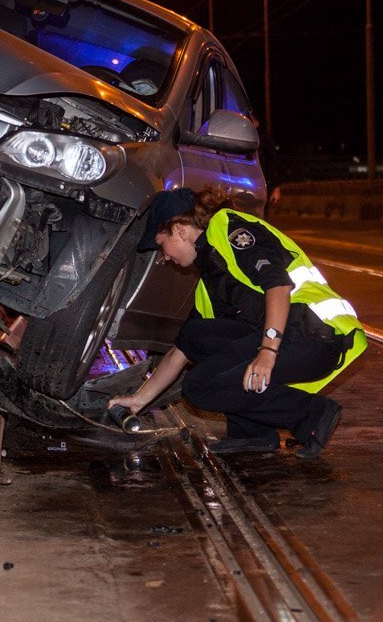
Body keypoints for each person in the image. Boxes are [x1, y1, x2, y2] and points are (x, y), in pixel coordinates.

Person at [108, 186, 366, 457]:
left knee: (199, 386)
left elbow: (278, 286)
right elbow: (180, 351)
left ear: (180, 229)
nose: (165, 257)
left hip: (314, 334)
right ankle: (253, 434)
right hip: (293, 335)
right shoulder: (208, 283)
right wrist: (138, 400)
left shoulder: (230, 230)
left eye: (162, 245)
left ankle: (312, 415)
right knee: (197, 335)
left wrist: (267, 352)